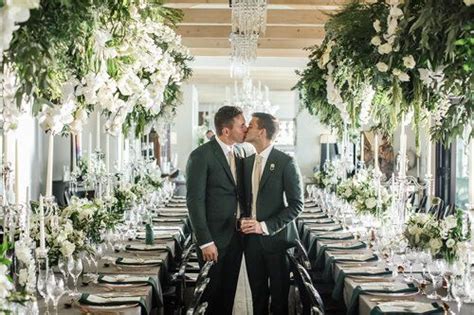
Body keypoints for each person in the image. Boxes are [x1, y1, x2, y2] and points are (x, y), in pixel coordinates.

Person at [186, 106, 248, 314]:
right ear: (226, 130)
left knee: (228, 295)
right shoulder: (201, 155)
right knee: (210, 298)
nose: (245, 129)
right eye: (241, 125)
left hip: (235, 237)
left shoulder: (238, 153)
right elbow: (194, 201)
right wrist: (205, 241)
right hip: (212, 240)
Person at [241, 112, 304, 315]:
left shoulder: (286, 162)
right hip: (251, 242)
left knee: (279, 302)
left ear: (262, 131)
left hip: (278, 241)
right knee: (257, 297)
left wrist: (265, 226)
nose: (246, 128)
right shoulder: (247, 162)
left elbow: (296, 205)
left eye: (250, 125)